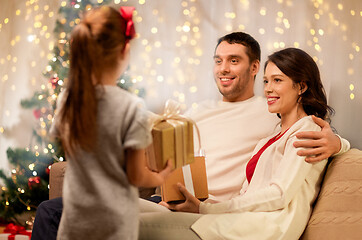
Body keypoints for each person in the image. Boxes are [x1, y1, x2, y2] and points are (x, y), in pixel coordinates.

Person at [32, 32, 348, 239]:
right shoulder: (214, 111)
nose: (224, 68)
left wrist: (337, 143)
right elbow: (155, 125)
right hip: (178, 200)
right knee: (55, 209)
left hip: (216, 209)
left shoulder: (267, 113)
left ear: (252, 67)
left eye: (234, 61)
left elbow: (310, 139)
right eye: (219, 60)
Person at [138, 34, 350, 239]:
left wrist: (339, 144)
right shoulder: (269, 138)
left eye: (277, 80)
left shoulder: (307, 130)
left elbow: (279, 194)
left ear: (301, 86)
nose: (268, 89)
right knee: (119, 213)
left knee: (134, 225)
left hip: (261, 228)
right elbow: (245, 196)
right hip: (234, 219)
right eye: (266, 82)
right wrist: (201, 206)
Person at [35, 6, 172, 240]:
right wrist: (160, 176)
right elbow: (137, 176)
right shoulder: (131, 107)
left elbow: (71, 148)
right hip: (113, 225)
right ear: (124, 50)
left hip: (74, 222)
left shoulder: (67, 99)